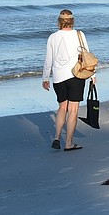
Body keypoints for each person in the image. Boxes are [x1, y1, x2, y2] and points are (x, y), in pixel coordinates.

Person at [42, 9, 95, 151]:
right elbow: (87, 56)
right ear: (72, 21)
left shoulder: (53, 37)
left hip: (58, 77)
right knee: (73, 110)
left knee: (62, 107)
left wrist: (45, 77)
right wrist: (93, 75)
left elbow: (48, 59)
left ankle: (57, 137)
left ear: (59, 21)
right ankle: (69, 143)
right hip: (76, 76)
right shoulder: (79, 34)